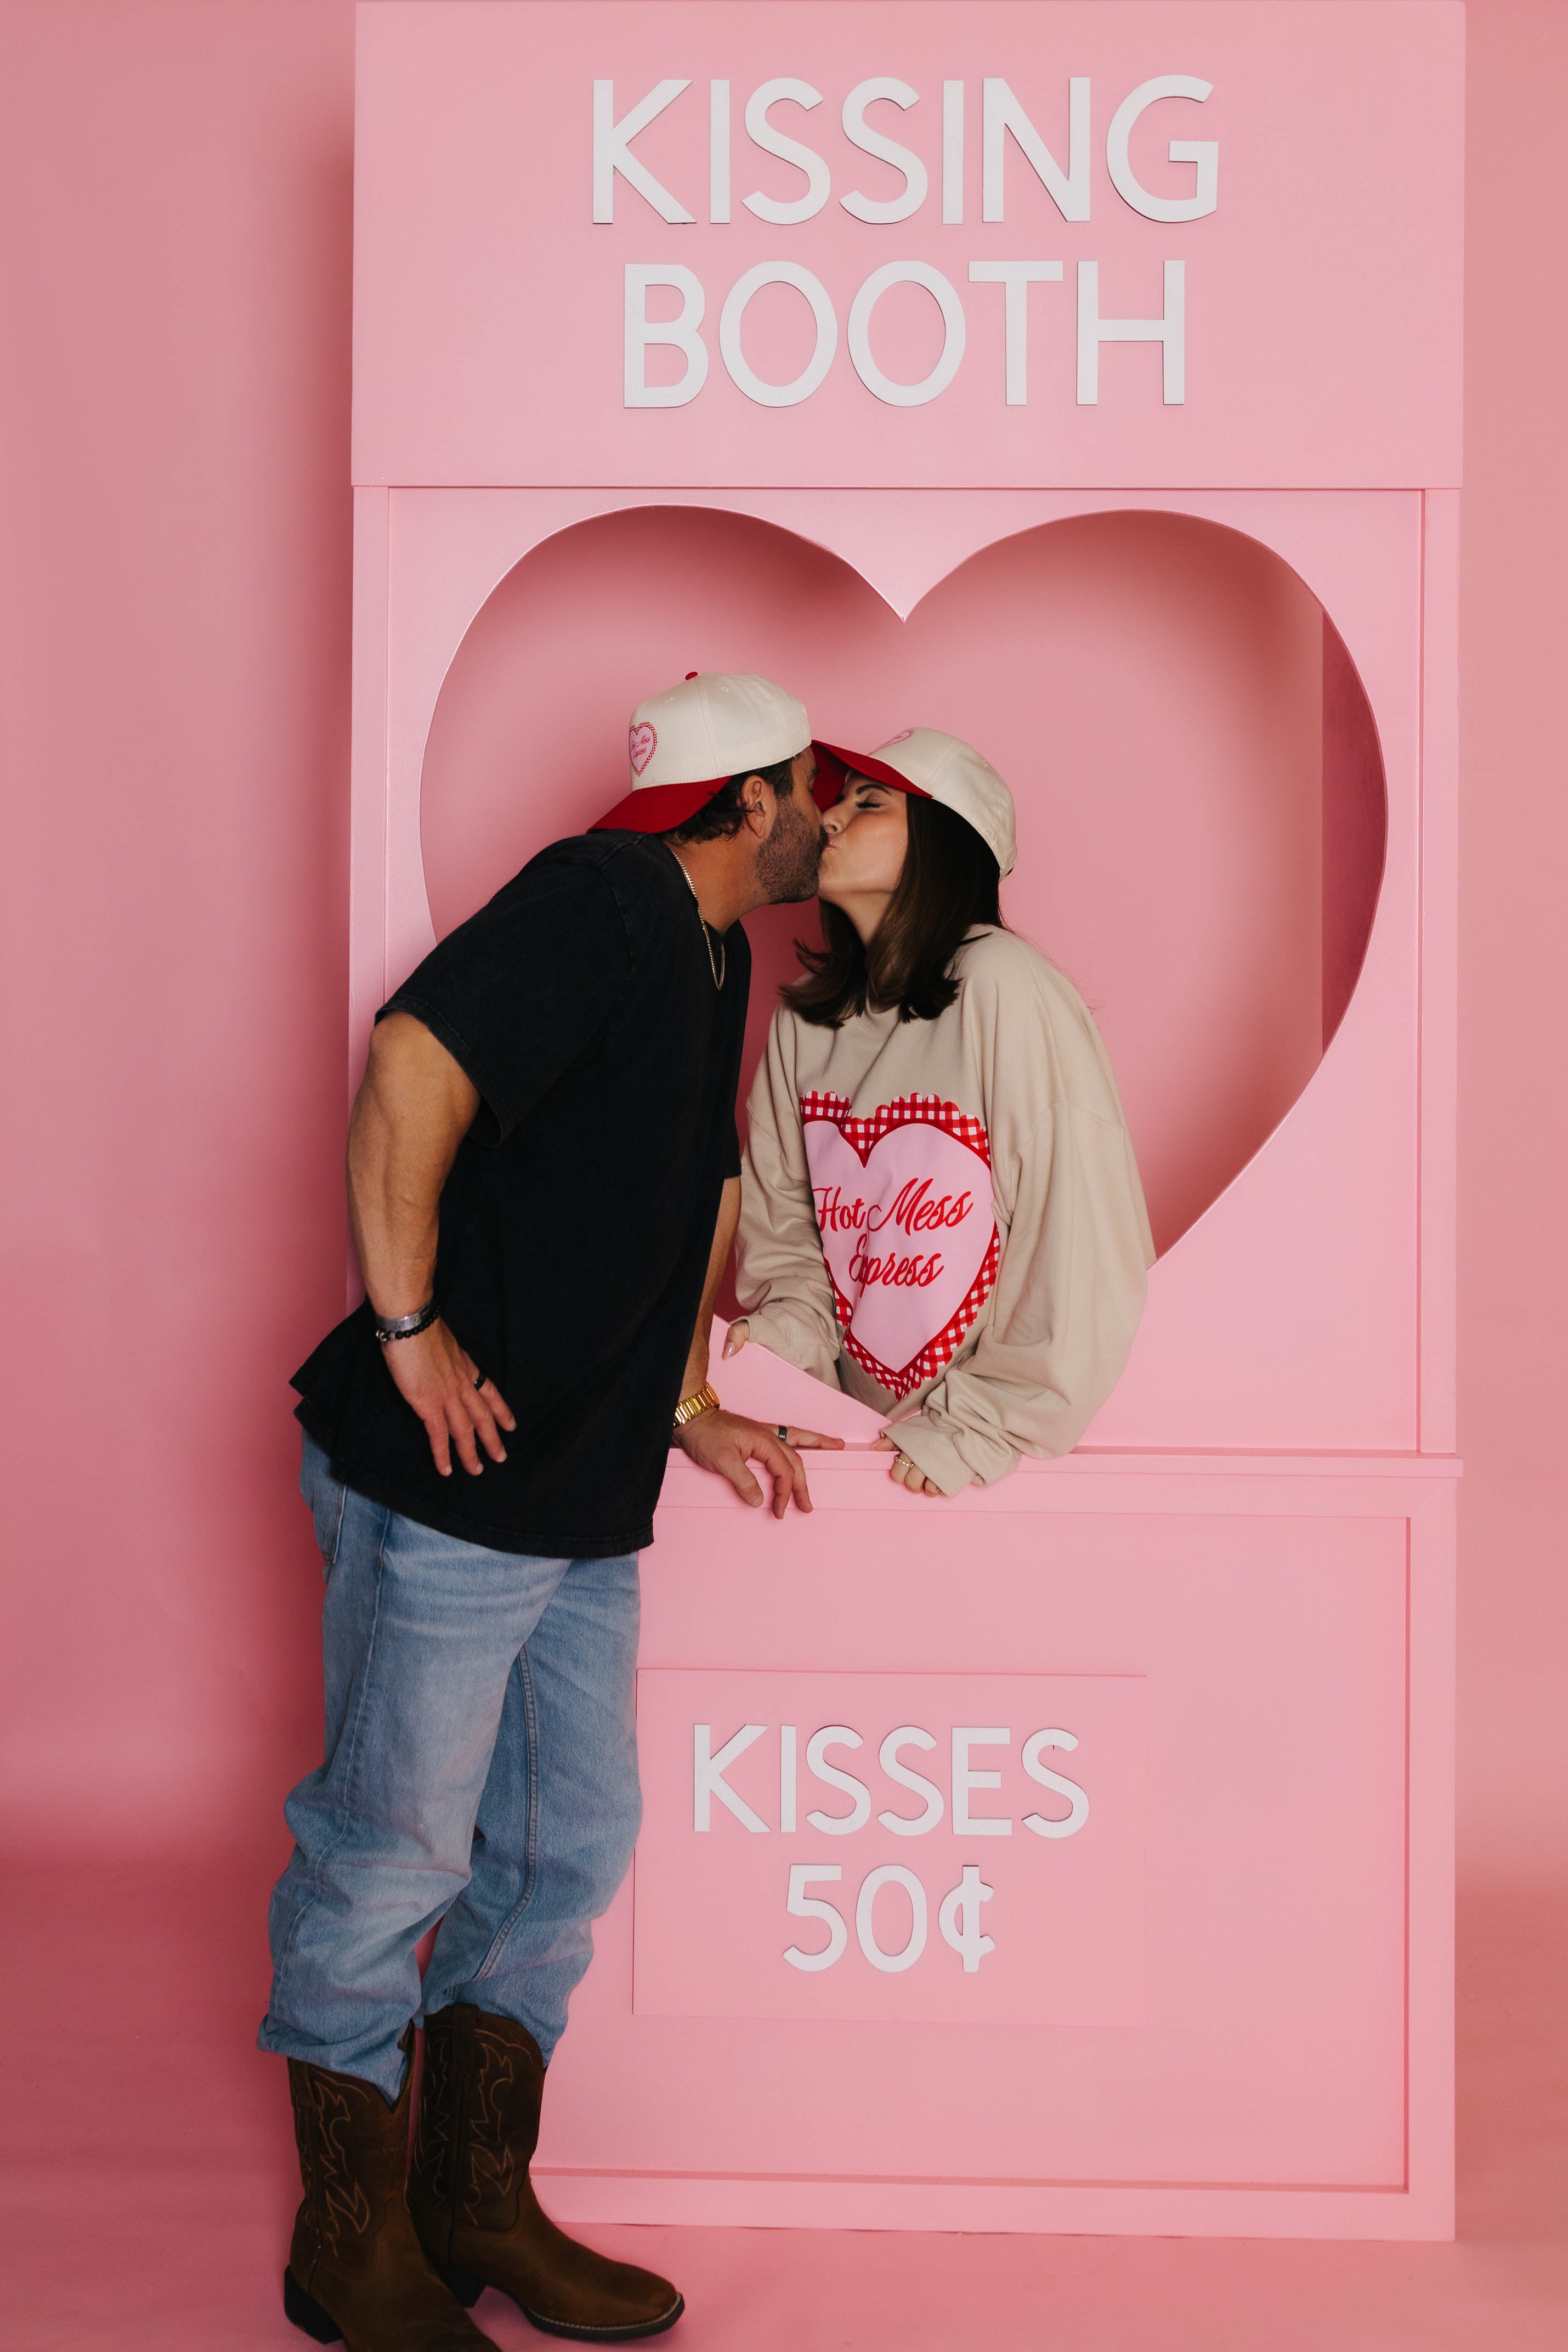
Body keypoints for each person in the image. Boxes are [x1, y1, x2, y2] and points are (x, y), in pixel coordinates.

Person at [259, 672, 842, 2352]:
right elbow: (411, 1060)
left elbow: (673, 1198)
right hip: (449, 1485)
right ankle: (347, 2248)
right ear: (745, 799)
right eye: (808, 786)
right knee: (389, 1856)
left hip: (582, 1492)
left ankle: (472, 2204)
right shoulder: (601, 897)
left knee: (563, 1847)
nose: (819, 812)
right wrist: (405, 1326)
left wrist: (687, 1404)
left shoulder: (717, 946)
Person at [729, 728, 1154, 1497]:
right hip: (845, 1460)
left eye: (870, 804)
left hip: (986, 1472)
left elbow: (1081, 1236)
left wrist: (980, 1425)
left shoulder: (1003, 985)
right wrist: (771, 1362)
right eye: (836, 799)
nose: (828, 818)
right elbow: (788, 1243)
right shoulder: (803, 1026)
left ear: (942, 841)